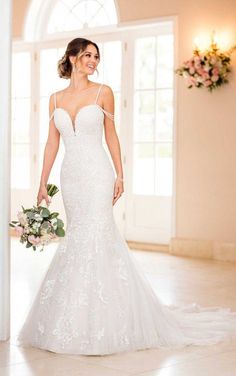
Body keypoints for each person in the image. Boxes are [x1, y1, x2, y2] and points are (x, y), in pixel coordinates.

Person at [17, 37, 236, 356]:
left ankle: (111, 317)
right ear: (73, 58)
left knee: (99, 234)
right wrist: (41, 183)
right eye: (88, 55)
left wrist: (120, 174)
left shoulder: (102, 91)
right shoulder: (54, 99)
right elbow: (52, 143)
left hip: (97, 174)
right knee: (77, 236)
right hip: (72, 177)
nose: (94, 60)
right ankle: (73, 316)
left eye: (97, 56)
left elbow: (111, 135)